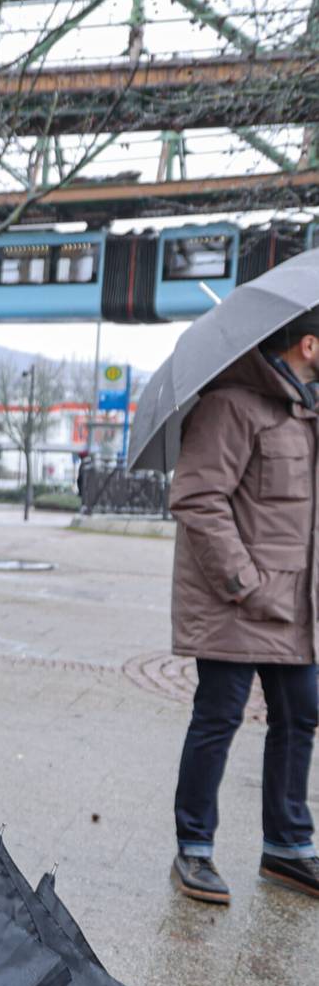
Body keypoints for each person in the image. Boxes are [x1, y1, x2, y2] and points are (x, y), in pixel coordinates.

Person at [167, 311, 319, 904]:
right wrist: (244, 581)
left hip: (294, 605)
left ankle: (287, 846)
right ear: (310, 345)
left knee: (301, 714)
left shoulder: (305, 413)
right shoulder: (231, 404)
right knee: (219, 718)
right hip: (237, 601)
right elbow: (197, 497)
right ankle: (194, 847)